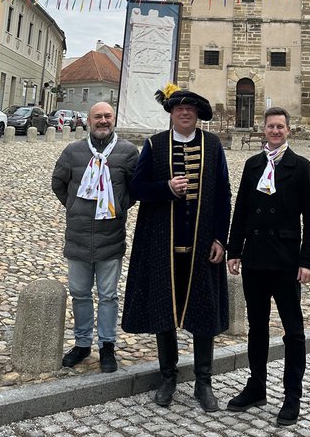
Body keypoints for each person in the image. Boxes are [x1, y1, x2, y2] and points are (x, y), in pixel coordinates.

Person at [121, 84, 230, 412]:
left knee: (203, 314)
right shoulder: (154, 145)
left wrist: (220, 239)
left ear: (197, 115)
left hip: (201, 246)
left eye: (191, 109)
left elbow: (223, 194)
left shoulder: (212, 146)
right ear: (171, 113)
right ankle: (168, 376)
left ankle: (203, 382)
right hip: (162, 245)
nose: (185, 113)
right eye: (179, 108)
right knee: (165, 311)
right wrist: (165, 188)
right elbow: (137, 188)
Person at [227, 107, 310, 428]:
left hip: (286, 261)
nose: (275, 131)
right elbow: (241, 210)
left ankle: (292, 395)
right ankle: (256, 387)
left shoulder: (301, 167)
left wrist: (308, 260)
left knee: (293, 331)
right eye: (270, 126)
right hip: (255, 259)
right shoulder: (253, 166)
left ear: (288, 130)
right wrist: (233, 250)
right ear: (263, 129)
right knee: (257, 328)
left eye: (280, 126)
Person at [51, 101, 138, 373]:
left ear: (114, 120)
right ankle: (82, 343)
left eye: (107, 116)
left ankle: (107, 345)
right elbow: (59, 183)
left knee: (109, 295)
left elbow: (135, 188)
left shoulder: (127, 152)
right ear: (89, 121)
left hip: (110, 236)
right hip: (77, 236)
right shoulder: (73, 151)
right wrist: (76, 207)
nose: (103, 121)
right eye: (98, 116)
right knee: (79, 293)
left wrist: (119, 206)